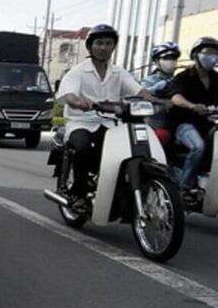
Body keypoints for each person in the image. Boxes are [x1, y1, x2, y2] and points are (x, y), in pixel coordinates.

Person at [56, 24, 153, 206]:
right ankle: (78, 193)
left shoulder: (119, 72)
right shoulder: (78, 71)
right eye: (99, 43)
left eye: (108, 43)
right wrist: (79, 102)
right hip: (82, 122)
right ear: (90, 46)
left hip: (111, 124)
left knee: (131, 149)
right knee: (83, 146)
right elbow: (68, 95)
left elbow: (138, 89)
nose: (103, 47)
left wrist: (154, 100)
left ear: (114, 46)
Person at [166, 36, 218, 196]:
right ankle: (183, 188)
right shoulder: (184, 76)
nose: (213, 56)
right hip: (184, 123)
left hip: (207, 123)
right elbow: (175, 97)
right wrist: (192, 106)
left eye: (216, 53)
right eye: (208, 52)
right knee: (198, 147)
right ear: (196, 55)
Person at [141, 41, 181, 145]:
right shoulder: (148, 81)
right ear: (156, 61)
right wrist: (164, 84)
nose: (171, 61)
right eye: (166, 58)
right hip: (155, 126)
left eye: (173, 58)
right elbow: (143, 94)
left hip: (177, 126)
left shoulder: (179, 80)